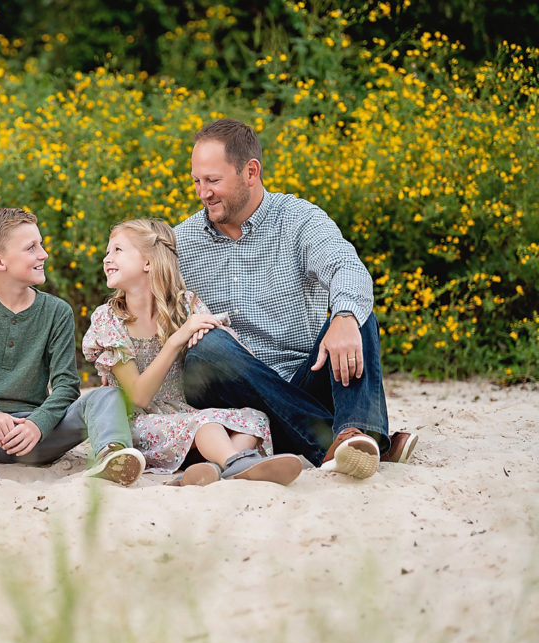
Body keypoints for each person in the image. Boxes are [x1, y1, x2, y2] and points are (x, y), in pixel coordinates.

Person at [175, 118, 418, 480]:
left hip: (303, 378)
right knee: (206, 347)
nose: (202, 193)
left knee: (356, 311)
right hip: (235, 400)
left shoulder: (298, 218)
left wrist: (344, 319)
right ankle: (360, 439)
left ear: (251, 172)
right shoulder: (182, 241)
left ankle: (349, 435)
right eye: (197, 181)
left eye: (213, 180)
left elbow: (346, 267)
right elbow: (141, 302)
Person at [0, 208, 146, 489]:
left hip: (39, 439)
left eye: (40, 245)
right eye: (32, 248)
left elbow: (67, 385)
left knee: (107, 394)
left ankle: (112, 454)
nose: (43, 254)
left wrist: (38, 424)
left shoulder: (57, 312)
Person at [82, 218, 303, 486]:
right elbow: (138, 396)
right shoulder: (109, 319)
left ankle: (214, 467)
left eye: (117, 250)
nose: (107, 258)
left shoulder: (186, 305)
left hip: (183, 412)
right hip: (138, 424)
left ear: (148, 262)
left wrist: (215, 334)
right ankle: (237, 463)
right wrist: (178, 339)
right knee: (204, 424)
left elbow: (235, 353)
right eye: (107, 252)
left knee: (254, 418)